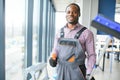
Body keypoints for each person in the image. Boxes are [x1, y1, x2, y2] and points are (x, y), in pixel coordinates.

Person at [49, 3, 96, 80]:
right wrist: (53, 57)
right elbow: (55, 49)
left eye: (74, 12)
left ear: (79, 14)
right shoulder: (60, 32)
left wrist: (89, 73)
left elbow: (91, 55)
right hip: (61, 70)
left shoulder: (87, 33)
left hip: (78, 71)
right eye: (68, 12)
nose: (71, 14)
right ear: (66, 14)